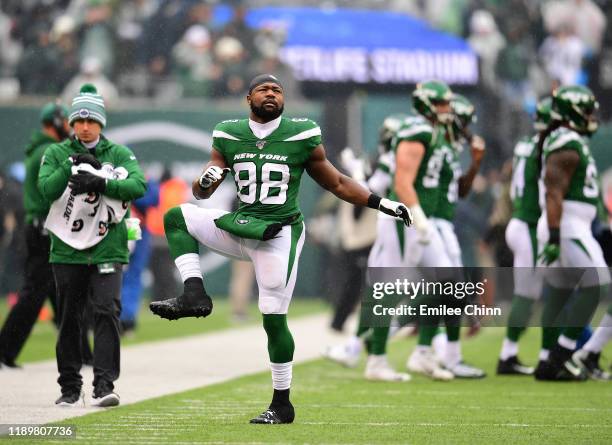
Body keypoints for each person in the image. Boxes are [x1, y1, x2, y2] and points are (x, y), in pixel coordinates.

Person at [149, 74, 412, 424]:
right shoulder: (228, 134)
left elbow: (337, 183)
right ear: (249, 98)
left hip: (279, 234)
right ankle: (194, 293)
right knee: (177, 217)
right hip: (242, 225)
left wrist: (382, 204)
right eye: (264, 89)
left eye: (277, 90)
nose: (272, 94)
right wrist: (204, 182)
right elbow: (201, 192)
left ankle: (282, 403)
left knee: (272, 318)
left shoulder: (301, 134)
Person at [39, 84, 146, 407]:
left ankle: (104, 385)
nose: (85, 127)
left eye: (91, 121)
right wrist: (69, 167)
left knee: (106, 311)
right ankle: (70, 387)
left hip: (107, 246)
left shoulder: (119, 153)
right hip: (67, 249)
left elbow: (138, 184)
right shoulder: (56, 152)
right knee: (70, 316)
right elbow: (46, 190)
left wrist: (101, 181)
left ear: (101, 123)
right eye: (79, 121)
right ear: (71, 123)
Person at [535, 85, 610, 381]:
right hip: (567, 225)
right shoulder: (566, 141)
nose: (591, 116)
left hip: (567, 224)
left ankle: (549, 359)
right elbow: (554, 194)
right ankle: (563, 355)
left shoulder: (568, 139)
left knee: (559, 294)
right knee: (598, 285)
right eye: (587, 110)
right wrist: (555, 237)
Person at [0, 102, 70, 369]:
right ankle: (4, 349)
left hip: (40, 225)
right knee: (35, 292)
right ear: (53, 122)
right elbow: (51, 190)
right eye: (64, 122)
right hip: (44, 226)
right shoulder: (48, 151)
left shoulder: (41, 149)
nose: (69, 128)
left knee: (58, 291)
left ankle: (82, 353)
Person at [428, 94, 486, 378]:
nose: (467, 131)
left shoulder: (449, 148)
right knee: (446, 289)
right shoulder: (432, 142)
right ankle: (438, 352)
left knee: (445, 290)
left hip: (442, 223)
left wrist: (475, 164)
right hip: (429, 222)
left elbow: (460, 192)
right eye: (464, 124)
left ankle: (440, 352)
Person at [497, 97, 552, 376]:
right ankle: (509, 354)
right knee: (527, 295)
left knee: (533, 293)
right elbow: (546, 191)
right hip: (531, 223)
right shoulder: (544, 148)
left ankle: (511, 353)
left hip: (521, 221)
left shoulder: (525, 145)